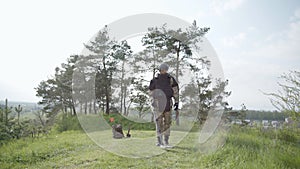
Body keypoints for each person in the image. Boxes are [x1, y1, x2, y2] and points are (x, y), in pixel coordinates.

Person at [149, 63, 179, 148]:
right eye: (162, 69)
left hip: (168, 104)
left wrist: (176, 102)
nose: (164, 71)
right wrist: (153, 100)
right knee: (159, 124)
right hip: (157, 104)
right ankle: (159, 141)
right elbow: (151, 92)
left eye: (165, 69)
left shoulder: (171, 80)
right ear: (160, 70)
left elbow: (175, 91)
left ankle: (166, 141)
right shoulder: (155, 80)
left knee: (167, 123)